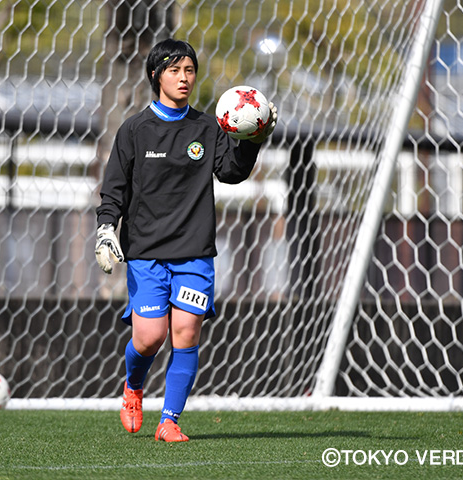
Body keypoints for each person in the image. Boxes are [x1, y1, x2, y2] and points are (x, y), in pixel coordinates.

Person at [95, 38, 277, 442]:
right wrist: (107, 229)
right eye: (175, 70)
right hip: (145, 252)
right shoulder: (134, 130)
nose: (184, 78)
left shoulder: (207, 127)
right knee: (149, 337)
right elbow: (114, 190)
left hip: (194, 252)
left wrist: (253, 139)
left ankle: (170, 420)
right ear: (157, 75)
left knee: (186, 333)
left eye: (189, 70)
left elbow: (231, 172)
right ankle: (133, 386)